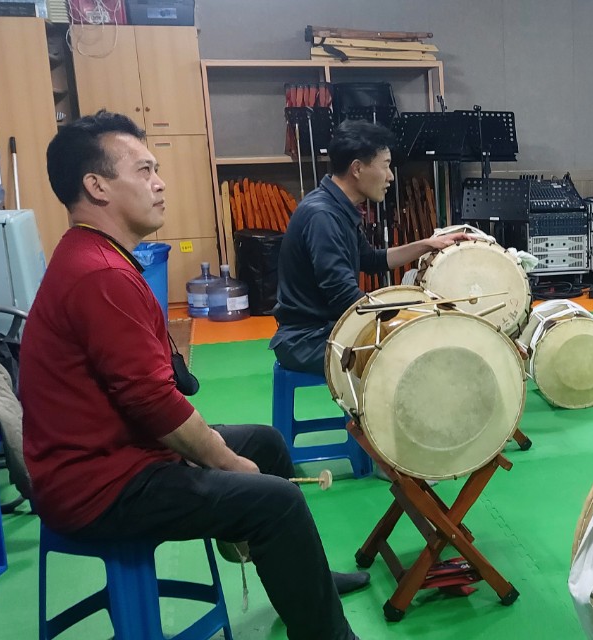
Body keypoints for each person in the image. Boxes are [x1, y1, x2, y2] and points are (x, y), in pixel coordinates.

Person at [21, 110, 367, 640]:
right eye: (144, 170)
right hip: (99, 486)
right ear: (96, 186)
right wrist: (227, 464)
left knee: (267, 444)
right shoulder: (100, 275)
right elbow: (154, 404)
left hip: (122, 453)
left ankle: (305, 584)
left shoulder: (96, 257)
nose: (159, 183)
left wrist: (226, 459)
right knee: (276, 499)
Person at [271, 120, 471, 376]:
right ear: (357, 168)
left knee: (421, 339)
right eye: (385, 166)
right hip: (307, 340)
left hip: (324, 331)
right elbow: (344, 296)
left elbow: (371, 259)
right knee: (416, 349)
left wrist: (428, 245)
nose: (390, 176)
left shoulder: (335, 206)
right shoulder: (323, 216)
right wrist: (409, 314)